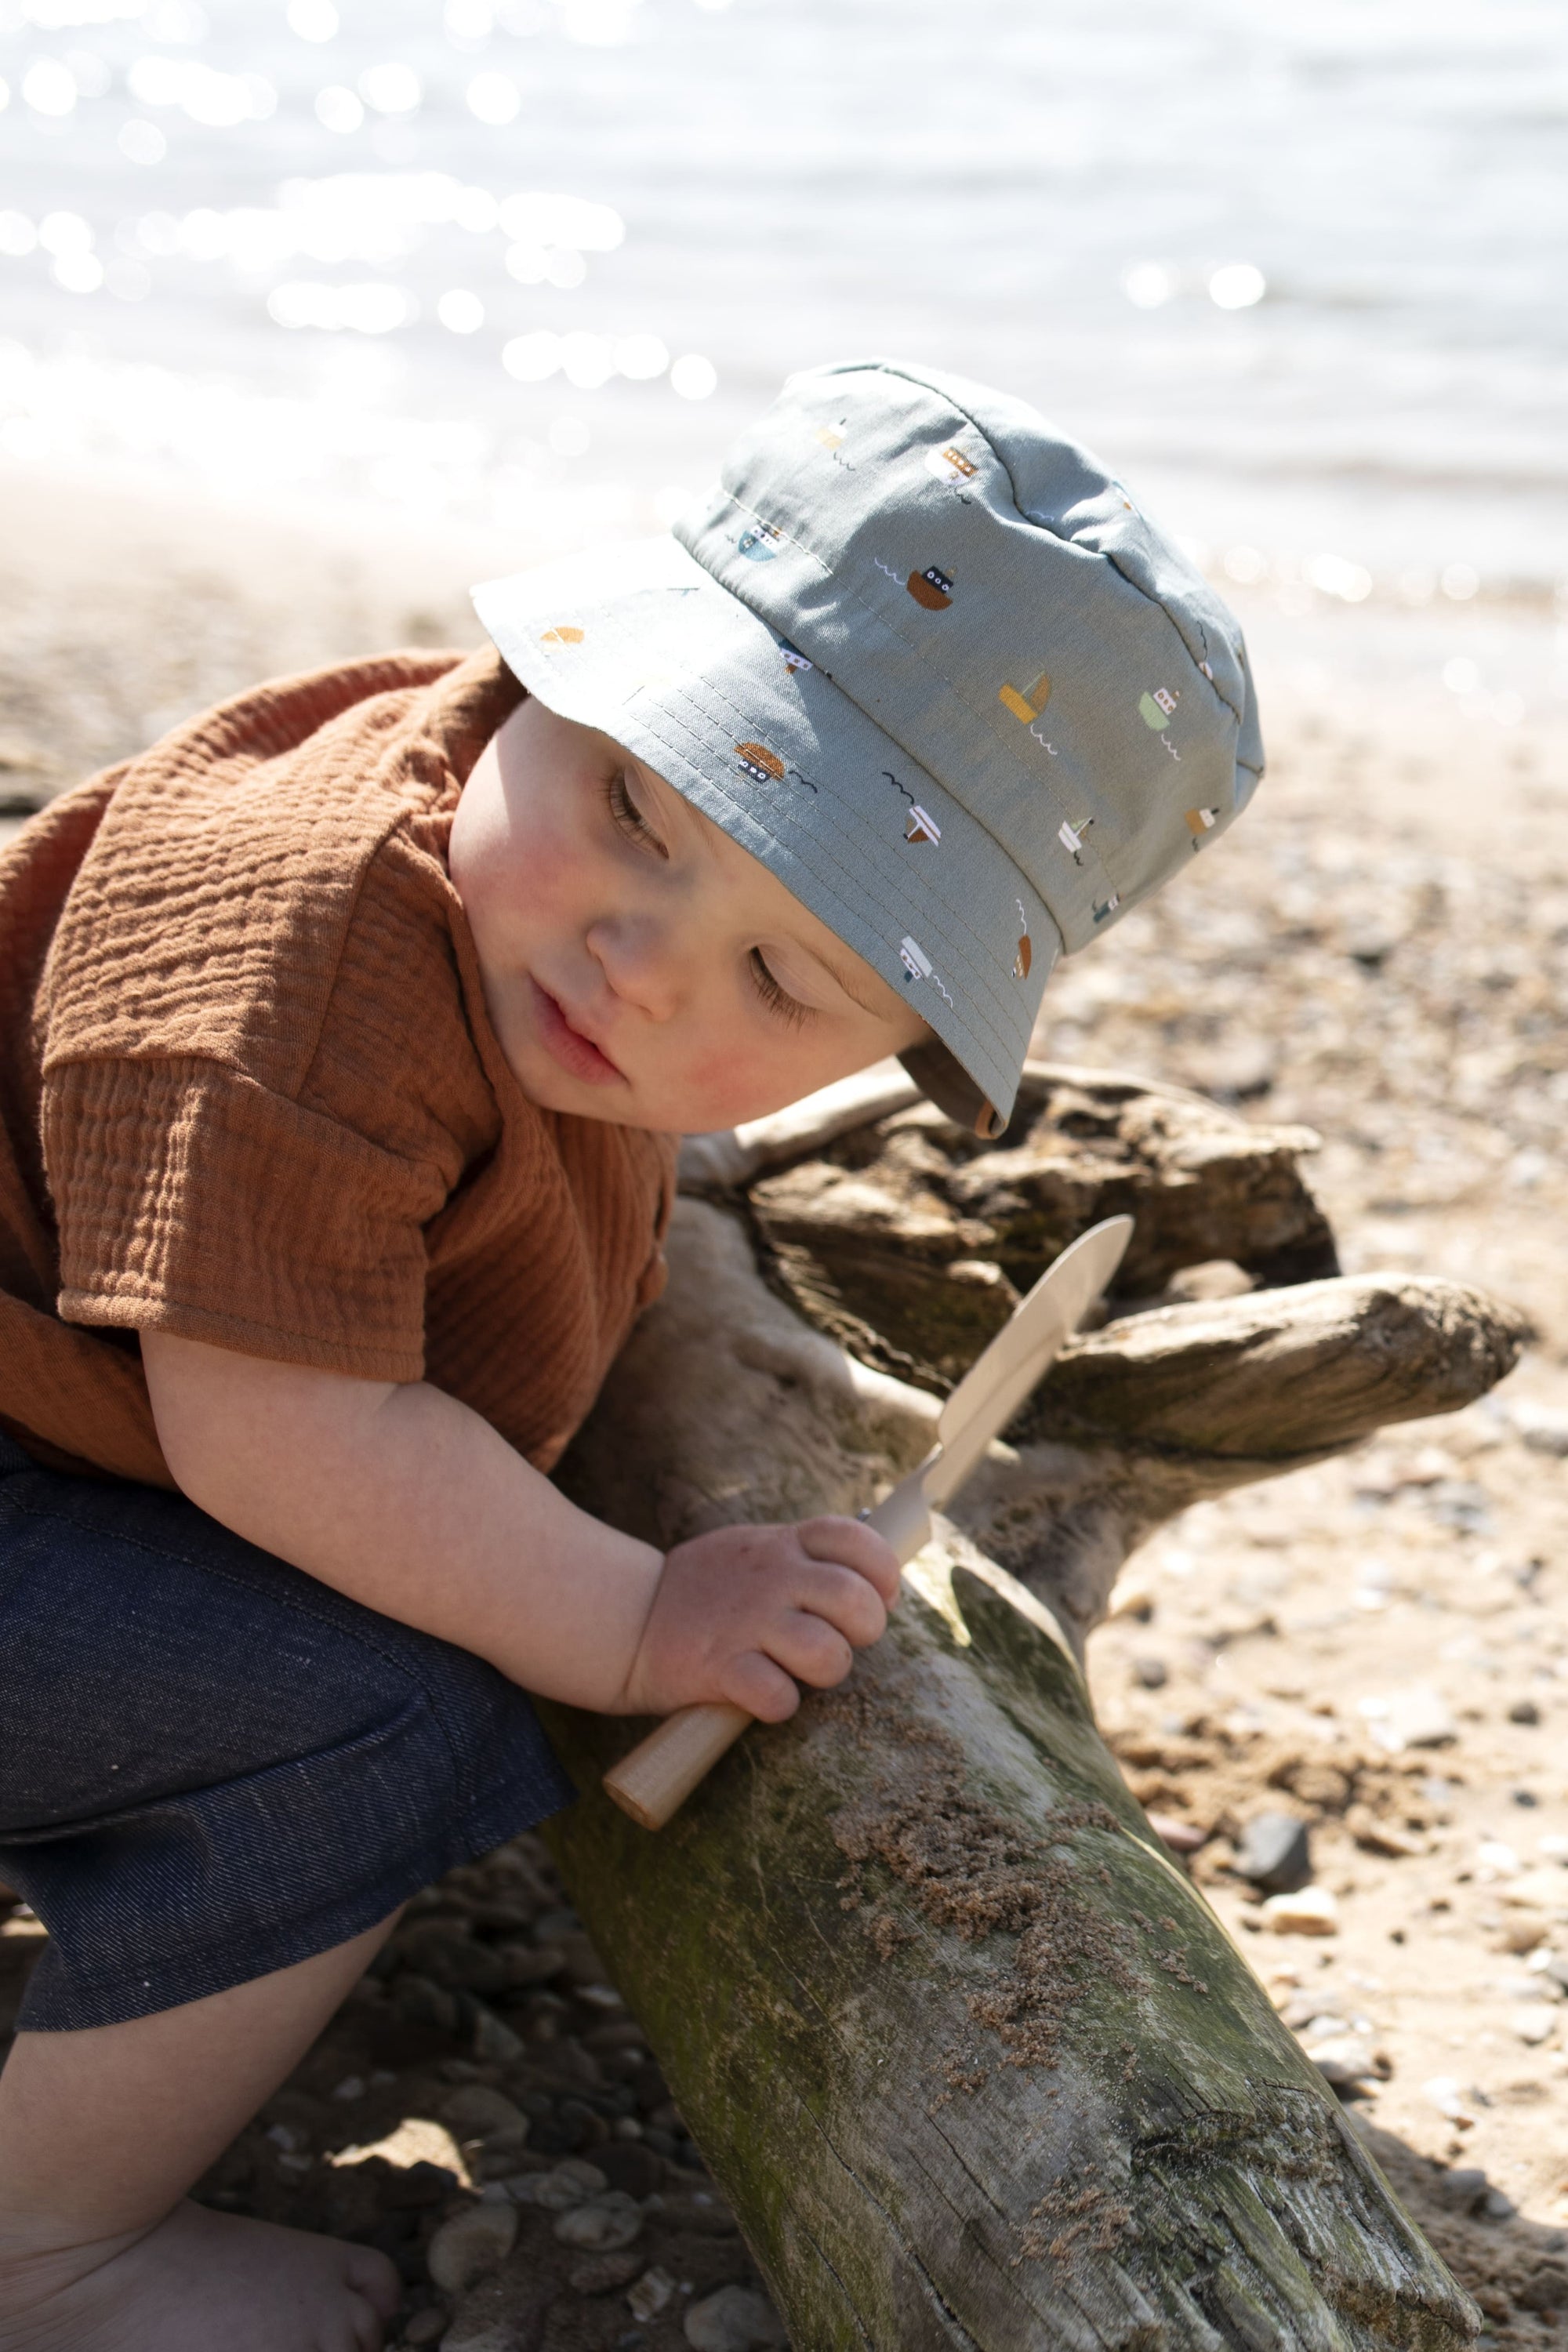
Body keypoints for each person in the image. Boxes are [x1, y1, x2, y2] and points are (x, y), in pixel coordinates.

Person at [0, 358, 1261, 2350]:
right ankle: (46, 2250)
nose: (640, 962)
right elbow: (275, 1430)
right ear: (562, 671)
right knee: (395, 1717)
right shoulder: (302, 960)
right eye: (637, 808)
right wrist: (627, 1616)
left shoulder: (515, 909)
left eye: (781, 973)